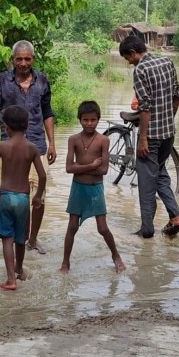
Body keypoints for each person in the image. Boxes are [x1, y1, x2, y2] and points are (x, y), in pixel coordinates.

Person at [0, 40, 56, 254]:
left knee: (40, 194)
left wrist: (52, 142)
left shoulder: (42, 80)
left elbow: (47, 112)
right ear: (12, 60)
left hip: (37, 144)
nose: (23, 63)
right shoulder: (1, 81)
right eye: (19, 59)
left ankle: (32, 239)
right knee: (15, 193)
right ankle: (16, 237)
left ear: (33, 59)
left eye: (27, 59)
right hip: (10, 146)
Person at [118, 36, 179, 239]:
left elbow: (145, 107)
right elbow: (176, 95)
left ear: (133, 53)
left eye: (127, 58)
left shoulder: (140, 69)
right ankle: (176, 217)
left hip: (152, 136)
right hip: (169, 133)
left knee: (147, 184)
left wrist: (143, 138)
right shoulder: (166, 61)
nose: (129, 62)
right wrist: (169, 121)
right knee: (161, 174)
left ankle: (147, 229)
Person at [0, 105, 46, 291]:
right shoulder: (32, 148)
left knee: (7, 238)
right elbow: (42, 176)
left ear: (6, 127)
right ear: (27, 126)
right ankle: (20, 270)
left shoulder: (2, 146)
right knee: (21, 238)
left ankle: (10, 279)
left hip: (6, 196)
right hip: (23, 197)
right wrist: (38, 196)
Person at [60, 101, 125, 274]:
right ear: (79, 120)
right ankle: (65, 262)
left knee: (102, 228)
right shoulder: (73, 140)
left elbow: (103, 170)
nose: (89, 123)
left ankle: (116, 256)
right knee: (72, 226)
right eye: (85, 120)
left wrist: (81, 167)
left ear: (98, 120)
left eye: (93, 120)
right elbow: (68, 168)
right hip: (78, 188)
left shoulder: (103, 140)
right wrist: (91, 166)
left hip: (95, 189)